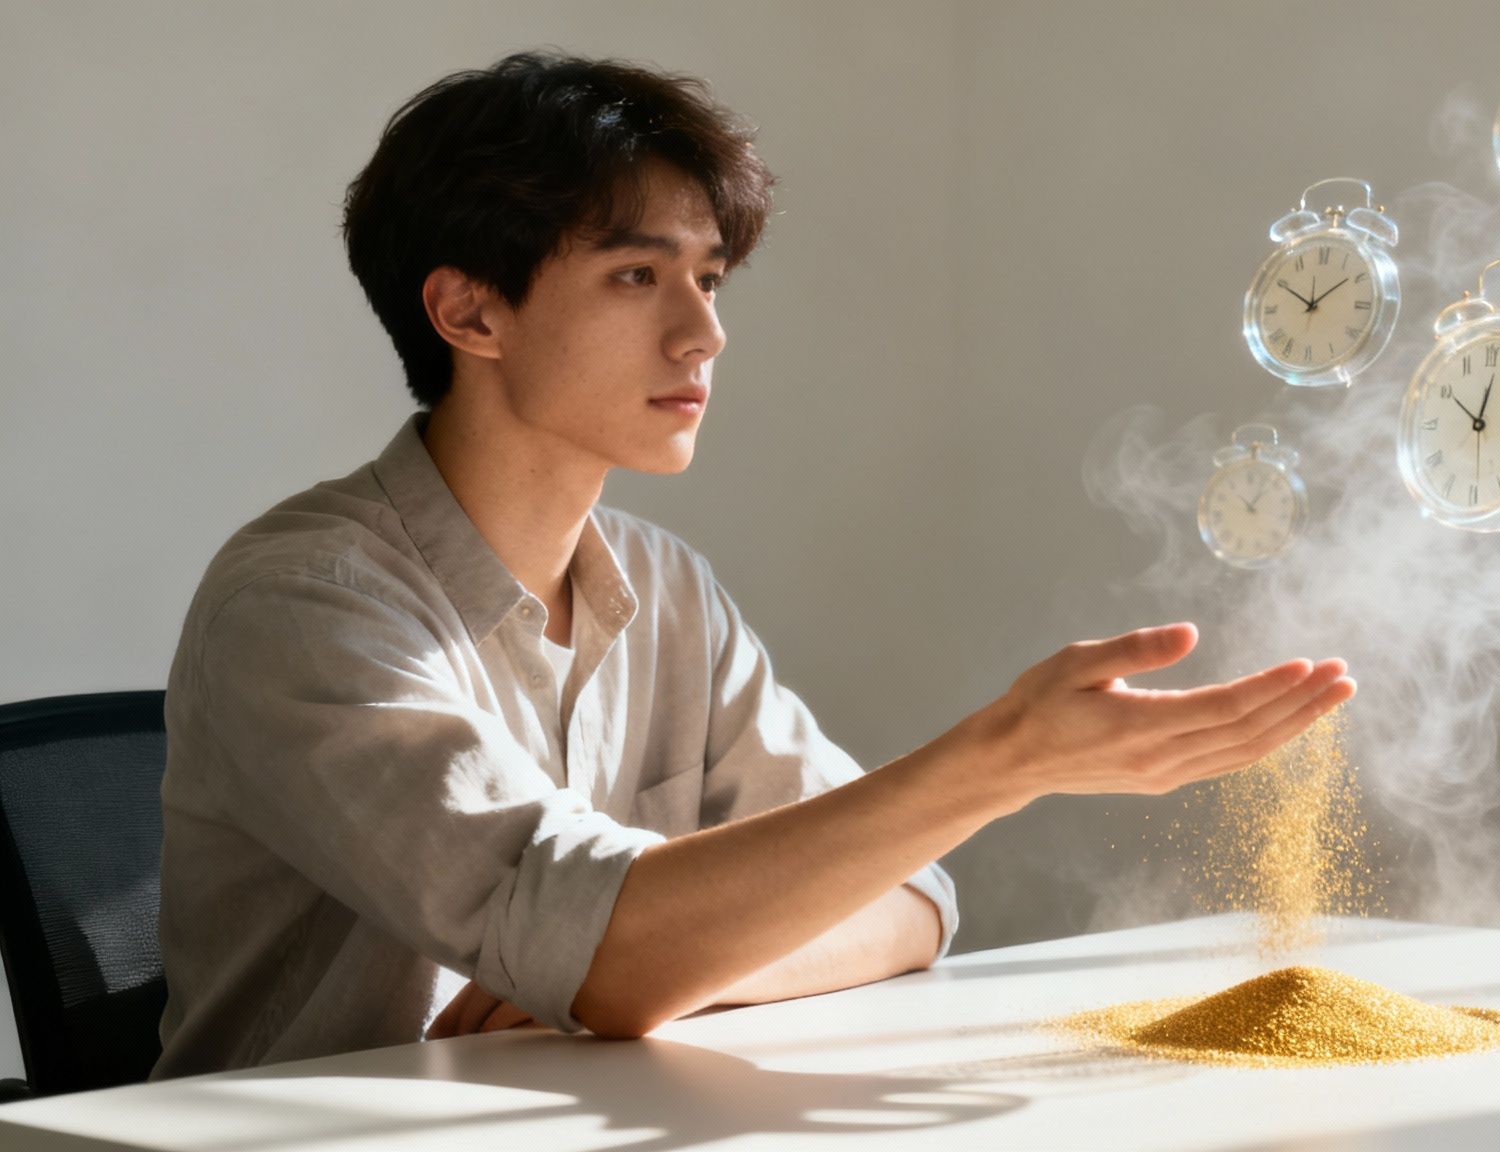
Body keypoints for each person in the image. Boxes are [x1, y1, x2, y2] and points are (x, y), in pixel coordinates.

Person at [153, 50, 1355, 1078]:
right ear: (471, 314)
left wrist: (680, 968)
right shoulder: (304, 607)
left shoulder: (667, 590)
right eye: (636, 276)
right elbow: (610, 960)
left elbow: (910, 902)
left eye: (709, 278)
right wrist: (1002, 758)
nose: (704, 333)